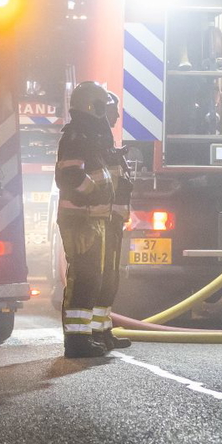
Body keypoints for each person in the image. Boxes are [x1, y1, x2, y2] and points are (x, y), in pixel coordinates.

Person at [56, 81, 124, 358]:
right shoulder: (76, 137)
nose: (114, 116)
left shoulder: (96, 136)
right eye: (107, 108)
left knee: (103, 277)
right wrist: (93, 195)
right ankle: (77, 339)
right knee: (84, 276)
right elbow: (70, 176)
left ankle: (98, 332)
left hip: (99, 217)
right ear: (92, 106)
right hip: (81, 218)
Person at [97, 91, 132, 350]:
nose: (117, 115)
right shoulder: (88, 141)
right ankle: (86, 336)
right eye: (113, 110)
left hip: (110, 219)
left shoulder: (103, 140)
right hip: (98, 220)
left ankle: (102, 331)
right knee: (96, 277)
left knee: (109, 276)